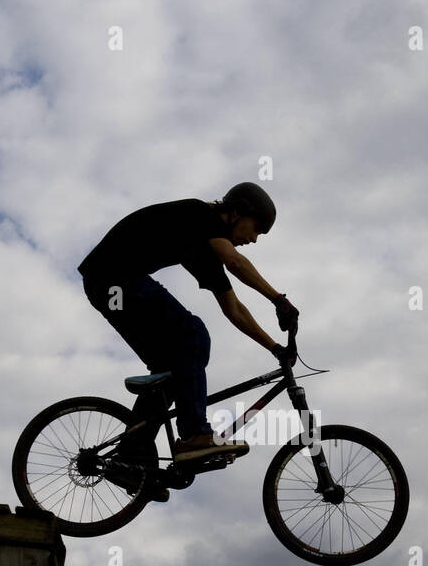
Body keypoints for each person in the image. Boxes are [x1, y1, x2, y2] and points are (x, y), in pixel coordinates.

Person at [78, 183, 300, 499]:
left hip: (109, 285)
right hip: (114, 278)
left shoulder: (203, 249)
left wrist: (275, 348)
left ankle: (128, 460)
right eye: (256, 230)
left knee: (172, 373)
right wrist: (279, 299)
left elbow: (233, 309)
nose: (253, 239)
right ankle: (195, 435)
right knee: (193, 336)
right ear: (236, 212)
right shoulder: (201, 215)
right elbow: (235, 263)